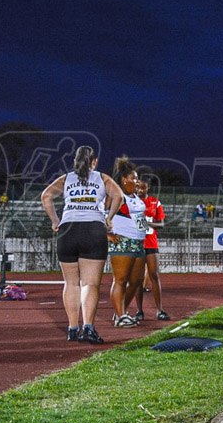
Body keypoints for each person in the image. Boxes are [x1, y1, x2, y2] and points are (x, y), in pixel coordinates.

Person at [41, 145, 123, 345]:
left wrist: (55, 220)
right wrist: (109, 218)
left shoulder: (67, 179)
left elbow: (46, 196)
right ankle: (88, 327)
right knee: (90, 283)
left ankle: (72, 328)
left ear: (75, 162)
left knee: (70, 283)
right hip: (93, 229)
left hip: (68, 229)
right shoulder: (102, 178)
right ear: (94, 162)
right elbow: (119, 196)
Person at [108, 157, 148, 328]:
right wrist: (107, 233)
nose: (137, 181)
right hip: (123, 240)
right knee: (121, 279)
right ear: (124, 180)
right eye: (134, 178)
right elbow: (101, 212)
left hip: (138, 242)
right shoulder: (117, 195)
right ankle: (120, 315)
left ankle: (121, 310)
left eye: (137, 178)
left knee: (137, 280)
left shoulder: (136, 197)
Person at [128, 178, 170, 322]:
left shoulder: (155, 202)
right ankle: (139, 311)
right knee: (138, 279)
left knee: (154, 275)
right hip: (137, 243)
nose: (140, 190)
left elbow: (162, 224)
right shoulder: (131, 202)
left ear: (148, 188)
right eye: (138, 187)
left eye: (143, 188)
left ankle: (160, 310)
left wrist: (148, 223)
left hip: (151, 243)